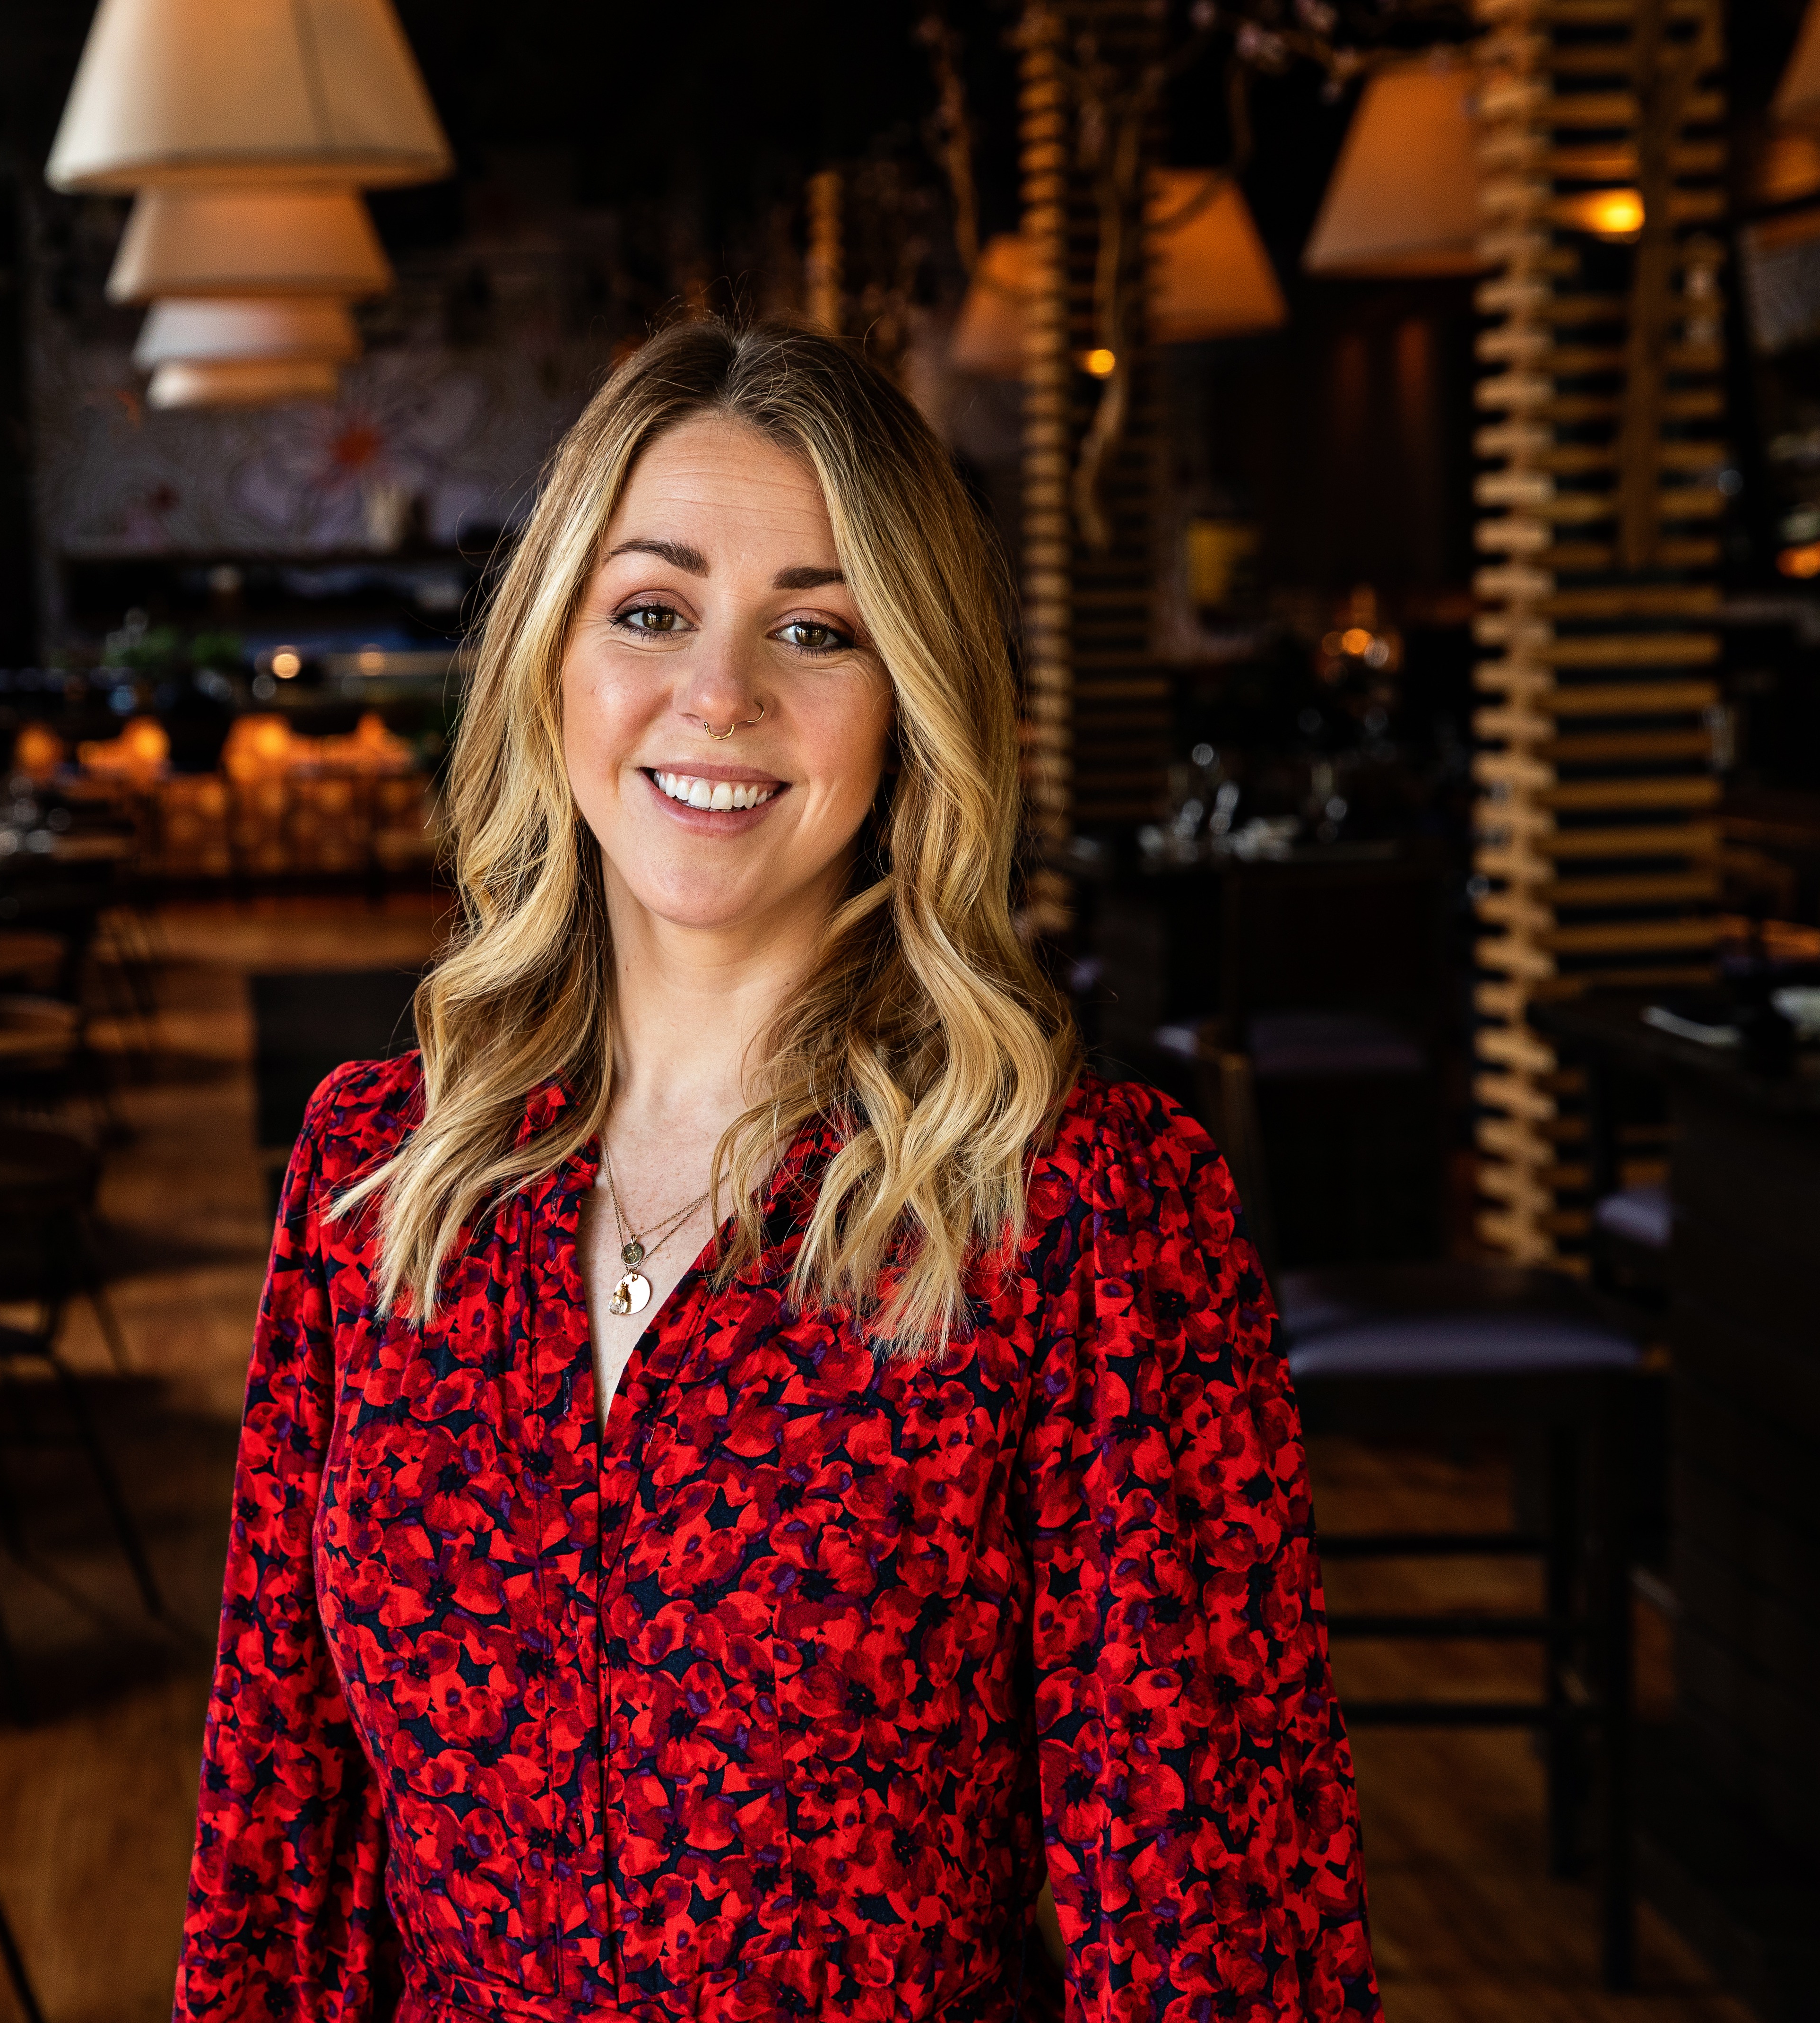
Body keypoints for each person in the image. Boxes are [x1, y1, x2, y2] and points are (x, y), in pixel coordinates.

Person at [176, 320, 1379, 2023]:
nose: (719, 695)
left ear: (915, 704)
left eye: (816, 630)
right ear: (553, 665)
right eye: (651, 610)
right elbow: (273, 1832)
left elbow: (1218, 1924)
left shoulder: (1084, 1220)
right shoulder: (379, 1175)